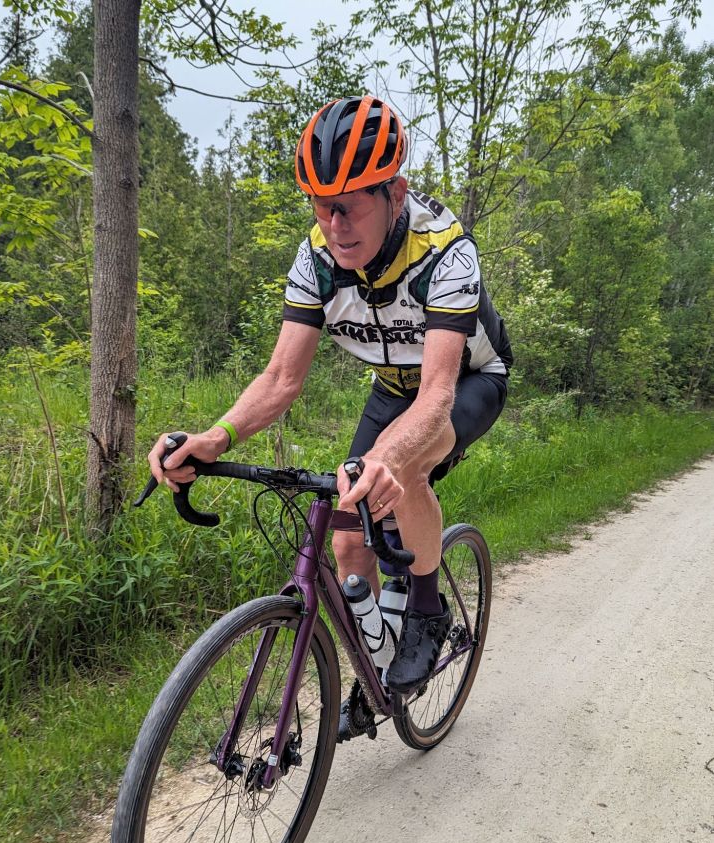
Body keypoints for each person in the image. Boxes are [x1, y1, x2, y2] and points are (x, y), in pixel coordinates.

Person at [148, 95, 512, 717]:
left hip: (469, 380)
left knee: (402, 468)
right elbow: (280, 378)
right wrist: (215, 437)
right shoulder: (316, 258)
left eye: (348, 206)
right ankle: (376, 672)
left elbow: (436, 394)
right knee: (348, 543)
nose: (334, 225)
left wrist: (387, 457)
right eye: (320, 206)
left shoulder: (444, 251)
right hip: (392, 387)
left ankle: (426, 609)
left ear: (395, 194)